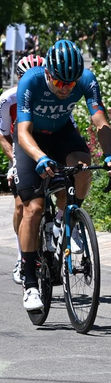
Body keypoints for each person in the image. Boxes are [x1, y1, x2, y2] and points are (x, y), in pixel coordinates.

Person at [13, 40, 111, 311]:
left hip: (61, 134)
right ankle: (29, 283)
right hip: (32, 139)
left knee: (83, 165)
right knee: (33, 208)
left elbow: (100, 120)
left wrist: (108, 154)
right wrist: (39, 158)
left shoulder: (86, 79)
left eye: (71, 85)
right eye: (60, 84)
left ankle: (68, 219)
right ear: (48, 73)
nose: (66, 90)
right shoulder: (32, 80)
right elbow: (23, 131)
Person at [2, 55, 44, 285]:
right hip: (19, 150)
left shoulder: (49, 95)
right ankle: (22, 256)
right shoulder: (8, 98)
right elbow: (2, 134)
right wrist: (15, 161)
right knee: (22, 204)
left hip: (45, 148)